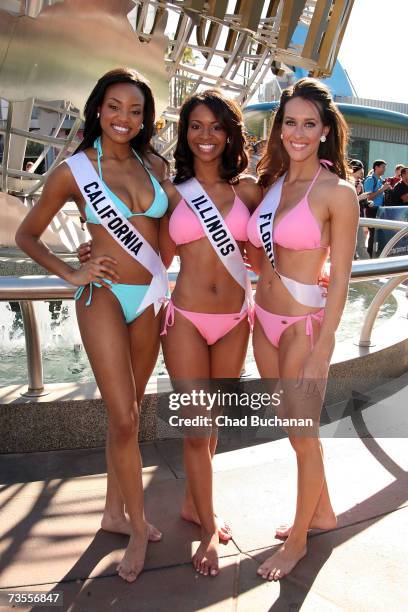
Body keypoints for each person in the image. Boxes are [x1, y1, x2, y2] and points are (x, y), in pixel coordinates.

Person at [15, 68, 170, 583]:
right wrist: (73, 269)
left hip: (148, 298)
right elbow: (27, 235)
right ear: (97, 110)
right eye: (114, 107)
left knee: (129, 411)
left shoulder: (153, 165)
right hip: (100, 295)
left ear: (145, 118)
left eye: (135, 110)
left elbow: (174, 227)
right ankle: (139, 523)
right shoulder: (74, 169)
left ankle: (113, 513)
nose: (124, 118)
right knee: (124, 417)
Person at [246, 78, 359, 581]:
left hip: (301, 327)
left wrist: (324, 348)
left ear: (324, 131)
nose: (298, 132)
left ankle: (297, 542)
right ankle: (324, 512)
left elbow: (342, 279)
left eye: (309, 124)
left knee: (302, 433)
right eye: (290, 122)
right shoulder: (270, 184)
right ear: (280, 127)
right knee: (297, 433)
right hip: (262, 322)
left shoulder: (338, 192)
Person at [159, 90, 262, 577]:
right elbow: (154, 262)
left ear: (229, 133)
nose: (205, 136)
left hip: (235, 320)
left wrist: (315, 272)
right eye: (196, 126)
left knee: (211, 422)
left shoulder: (247, 192)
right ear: (185, 133)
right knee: (197, 426)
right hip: (186, 318)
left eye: (216, 126)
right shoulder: (174, 194)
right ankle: (206, 528)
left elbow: (266, 256)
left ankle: (191, 503)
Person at [363, 160, 391, 256]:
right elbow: (368, 197)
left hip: (380, 209)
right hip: (372, 209)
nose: (384, 169)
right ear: (376, 167)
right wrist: (382, 189)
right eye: (383, 167)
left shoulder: (380, 180)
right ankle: (370, 255)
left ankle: (377, 254)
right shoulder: (370, 179)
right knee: (373, 234)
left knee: (378, 234)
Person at [350, 159, 370, 259]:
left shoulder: (360, 184)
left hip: (359, 217)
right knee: (355, 247)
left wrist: (366, 201)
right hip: (348, 218)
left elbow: (362, 204)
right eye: (359, 172)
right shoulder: (345, 183)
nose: (361, 174)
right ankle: (371, 271)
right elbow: (345, 202)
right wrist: (359, 197)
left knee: (359, 246)